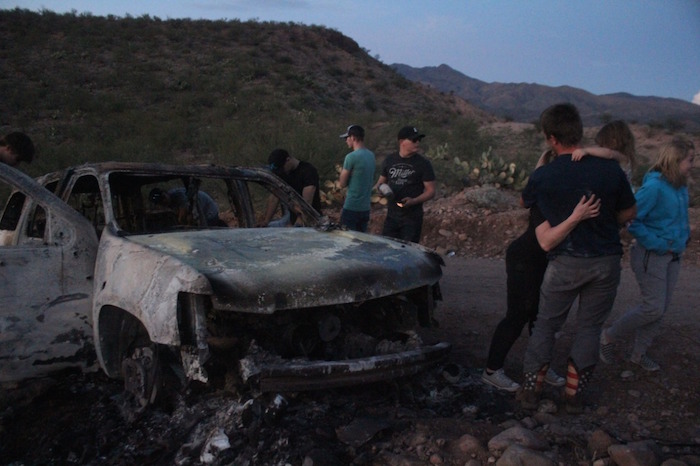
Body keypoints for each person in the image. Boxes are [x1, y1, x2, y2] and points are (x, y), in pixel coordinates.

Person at [518, 103, 637, 413]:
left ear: (551, 138)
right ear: (579, 132)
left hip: (565, 261)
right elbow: (629, 211)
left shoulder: (545, 175)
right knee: (589, 328)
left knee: (546, 325)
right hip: (606, 260)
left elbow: (524, 201)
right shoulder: (610, 170)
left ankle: (530, 391)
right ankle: (574, 396)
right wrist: (607, 221)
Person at [482, 169, 602, 392]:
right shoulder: (544, 201)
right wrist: (577, 217)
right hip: (524, 259)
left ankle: (539, 368)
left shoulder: (568, 199)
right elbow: (546, 240)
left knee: (540, 317)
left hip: (544, 262)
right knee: (518, 315)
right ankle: (492, 370)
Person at [599, 137, 694, 372]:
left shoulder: (680, 185)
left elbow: (677, 218)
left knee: (660, 310)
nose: (692, 165)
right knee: (653, 307)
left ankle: (638, 355)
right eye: (689, 160)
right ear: (675, 160)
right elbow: (631, 219)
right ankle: (609, 336)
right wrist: (659, 244)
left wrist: (683, 237)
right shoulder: (654, 187)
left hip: (673, 255)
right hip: (652, 255)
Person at [375, 126, 435, 243]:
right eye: (414, 140)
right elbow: (380, 183)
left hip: (412, 219)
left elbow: (431, 191)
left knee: (408, 250)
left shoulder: (423, 163)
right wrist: (381, 190)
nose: (417, 143)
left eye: (419, 140)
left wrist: (414, 201)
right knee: (387, 247)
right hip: (391, 216)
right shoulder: (390, 160)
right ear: (402, 142)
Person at [263, 148, 322, 226]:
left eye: (282, 168)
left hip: (310, 221)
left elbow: (307, 201)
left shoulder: (308, 171)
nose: (282, 171)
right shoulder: (283, 174)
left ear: (288, 160)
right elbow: (275, 197)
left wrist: (299, 221)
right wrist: (266, 221)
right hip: (292, 218)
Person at [572, 120, 636, 183]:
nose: (601, 149)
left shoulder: (623, 158)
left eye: (602, 146)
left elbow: (609, 153)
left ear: (614, 142)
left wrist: (586, 151)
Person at [338, 125, 375, 232]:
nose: (346, 141)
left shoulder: (351, 157)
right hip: (365, 208)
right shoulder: (371, 155)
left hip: (351, 206)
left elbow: (342, 183)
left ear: (353, 138)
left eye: (347, 138)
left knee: (346, 238)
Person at [149, 187, 223, 226]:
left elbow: (183, 213)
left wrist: (182, 223)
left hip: (208, 211)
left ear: (165, 193)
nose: (164, 201)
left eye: (164, 198)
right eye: (160, 202)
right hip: (197, 212)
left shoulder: (178, 195)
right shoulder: (168, 204)